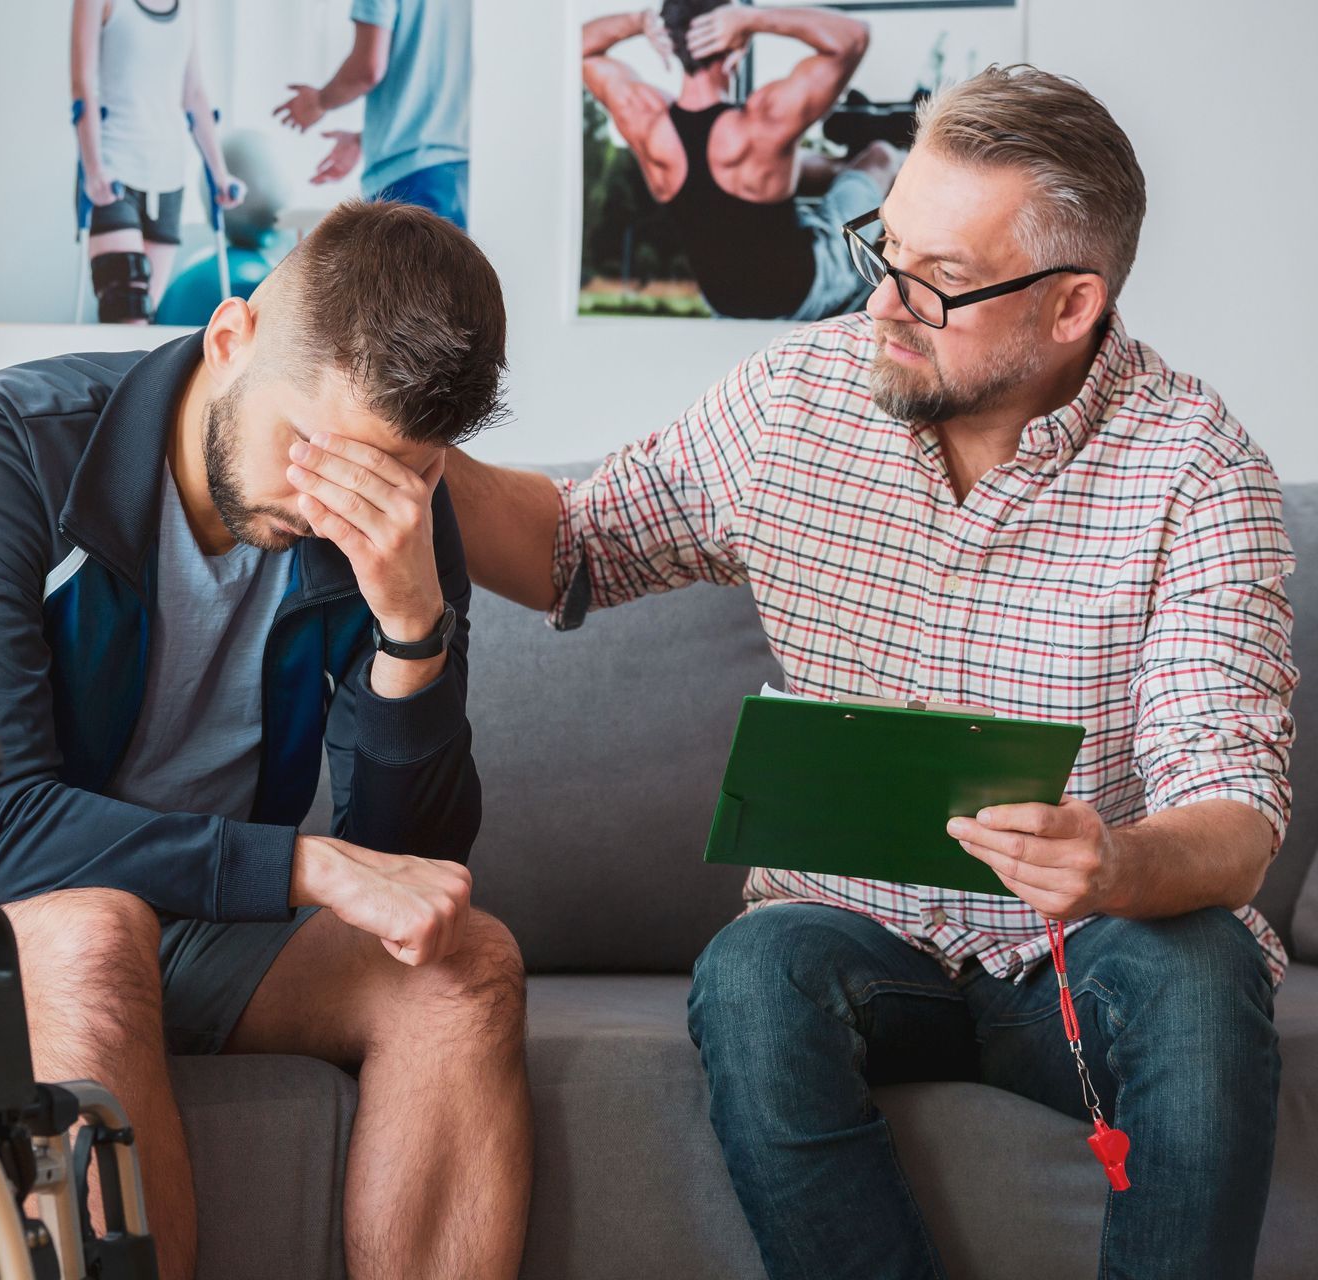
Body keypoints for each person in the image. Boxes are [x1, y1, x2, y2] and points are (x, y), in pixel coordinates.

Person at [445, 65, 1292, 1279]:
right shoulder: (799, 399)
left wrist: (1119, 860)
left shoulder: (1198, 474)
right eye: (882, 249)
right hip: (860, 941)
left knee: (1202, 968)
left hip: (1084, 951)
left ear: (1071, 306)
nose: (882, 302)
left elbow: (1238, 817)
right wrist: (405, 449)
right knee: (751, 971)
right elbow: (571, 543)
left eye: (937, 282)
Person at [0, 200, 531, 1280]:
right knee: (95, 934)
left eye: (389, 472)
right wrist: (302, 864)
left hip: (201, 918)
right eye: (307, 447)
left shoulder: (393, 518)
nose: (328, 501)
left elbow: (411, 866)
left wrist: (411, 632)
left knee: (466, 964)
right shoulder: (4, 452)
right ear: (229, 339)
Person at [583, 2, 901, 321]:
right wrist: (752, 19)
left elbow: (580, 48)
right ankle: (865, 163)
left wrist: (640, 21)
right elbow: (853, 37)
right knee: (881, 157)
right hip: (804, 292)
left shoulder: (646, 120)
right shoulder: (762, 122)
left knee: (795, 164)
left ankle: (841, 167)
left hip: (724, 304)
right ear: (734, 39)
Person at [71, 0, 244, 323]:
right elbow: (83, 86)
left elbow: (192, 93)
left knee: (143, 317)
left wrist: (221, 174)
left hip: (167, 174)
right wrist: (93, 169)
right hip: (114, 169)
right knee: (127, 310)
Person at [273, 0, 472, 231]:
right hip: (458, 173)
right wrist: (364, 139)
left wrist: (317, 102)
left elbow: (368, 70)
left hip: (409, 176)